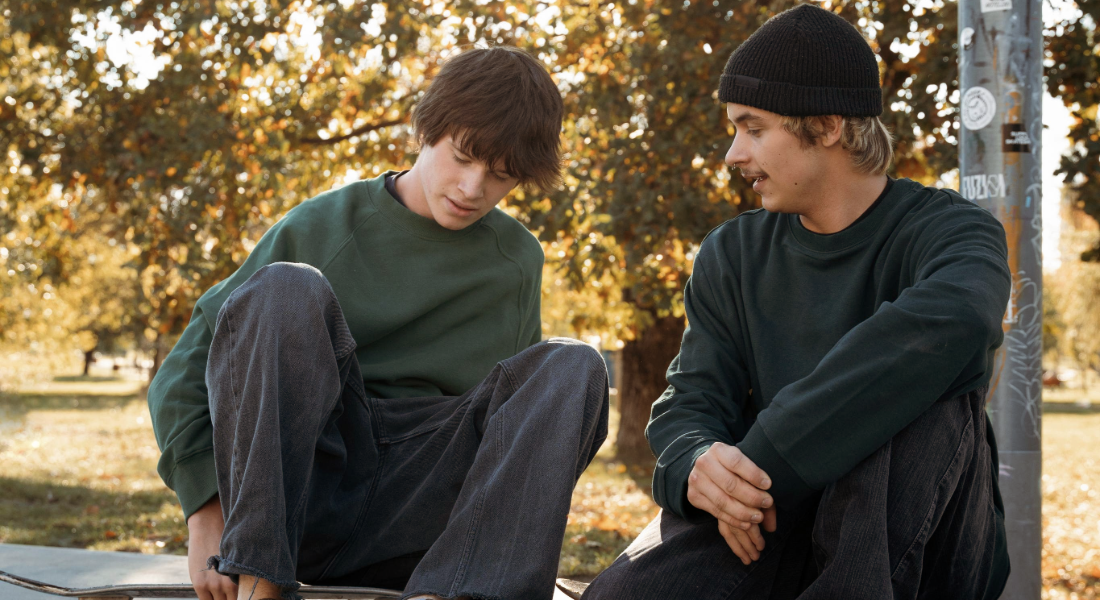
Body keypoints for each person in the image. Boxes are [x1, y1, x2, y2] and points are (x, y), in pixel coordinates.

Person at [148, 46, 609, 600]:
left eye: (501, 175)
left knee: (573, 365)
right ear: (427, 129)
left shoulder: (517, 261)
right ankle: (259, 581)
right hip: (306, 494)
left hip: (420, 513)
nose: (473, 188)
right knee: (285, 287)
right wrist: (206, 513)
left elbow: (516, 427)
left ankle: (462, 594)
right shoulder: (322, 225)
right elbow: (186, 370)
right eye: (463, 157)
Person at [582, 5, 1011, 599]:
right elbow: (692, 399)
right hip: (766, 520)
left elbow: (959, 320)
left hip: (921, 539)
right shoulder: (732, 253)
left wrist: (765, 463)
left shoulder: (954, 232)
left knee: (924, 386)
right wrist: (698, 463)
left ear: (828, 125)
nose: (733, 154)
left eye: (753, 129)